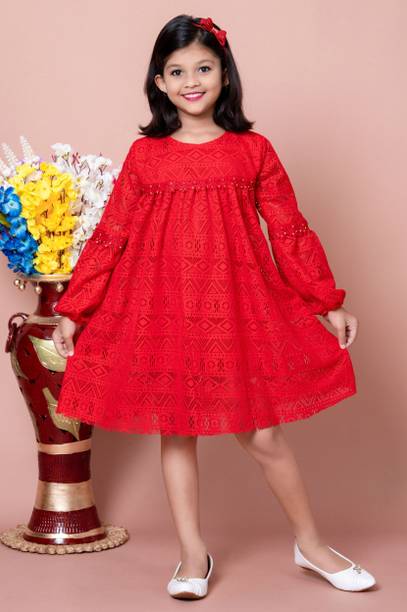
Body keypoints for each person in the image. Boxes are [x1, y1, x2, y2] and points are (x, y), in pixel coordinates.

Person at [52, 14, 376, 600]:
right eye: (177, 72)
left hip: (237, 311)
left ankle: (311, 544)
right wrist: (75, 310)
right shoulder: (146, 156)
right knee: (177, 433)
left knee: (263, 436)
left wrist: (326, 301)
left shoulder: (253, 150)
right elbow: (111, 235)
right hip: (166, 311)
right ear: (159, 82)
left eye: (203, 68)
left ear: (224, 73)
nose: (191, 81)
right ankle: (191, 554)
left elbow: (289, 229)